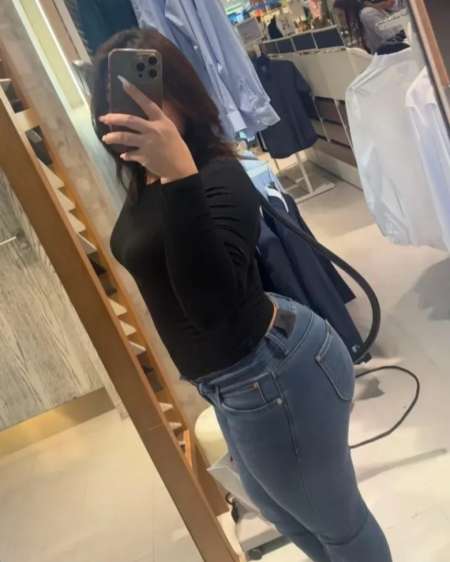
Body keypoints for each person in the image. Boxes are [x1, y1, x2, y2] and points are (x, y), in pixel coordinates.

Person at [92, 28, 392, 562]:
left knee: (339, 527)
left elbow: (211, 308)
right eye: (119, 99)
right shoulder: (144, 181)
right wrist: (167, 175)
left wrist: (180, 175)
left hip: (270, 373)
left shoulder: (215, 176)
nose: (138, 109)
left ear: (183, 98)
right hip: (232, 382)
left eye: (152, 93)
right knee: (288, 517)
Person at [334, 0, 404, 53]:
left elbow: (392, 36)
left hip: (393, 54)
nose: (340, 21)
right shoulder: (360, 22)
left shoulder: (367, 14)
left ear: (349, 10)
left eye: (340, 15)